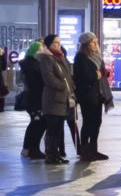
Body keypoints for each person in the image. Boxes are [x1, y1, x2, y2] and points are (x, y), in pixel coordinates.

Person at [74, 31, 111, 162]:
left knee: (97, 122)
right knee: (88, 123)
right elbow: (85, 76)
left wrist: (101, 73)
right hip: (87, 95)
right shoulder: (81, 57)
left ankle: (93, 149)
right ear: (86, 44)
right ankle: (85, 151)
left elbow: (100, 73)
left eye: (96, 42)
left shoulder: (97, 56)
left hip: (98, 94)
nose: (96, 44)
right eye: (93, 42)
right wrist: (97, 74)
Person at [38, 34, 74, 165]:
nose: (58, 45)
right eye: (55, 43)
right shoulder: (47, 59)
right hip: (53, 98)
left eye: (59, 42)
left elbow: (68, 76)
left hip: (63, 98)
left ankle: (56, 154)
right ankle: (50, 155)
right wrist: (63, 86)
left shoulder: (61, 57)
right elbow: (49, 78)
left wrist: (70, 88)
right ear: (49, 45)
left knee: (59, 129)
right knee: (52, 129)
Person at [19, 40, 47, 159]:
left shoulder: (32, 63)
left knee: (37, 123)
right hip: (35, 99)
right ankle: (32, 149)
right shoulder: (32, 65)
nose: (43, 51)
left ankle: (30, 148)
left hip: (35, 98)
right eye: (40, 49)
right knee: (37, 123)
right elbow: (36, 82)